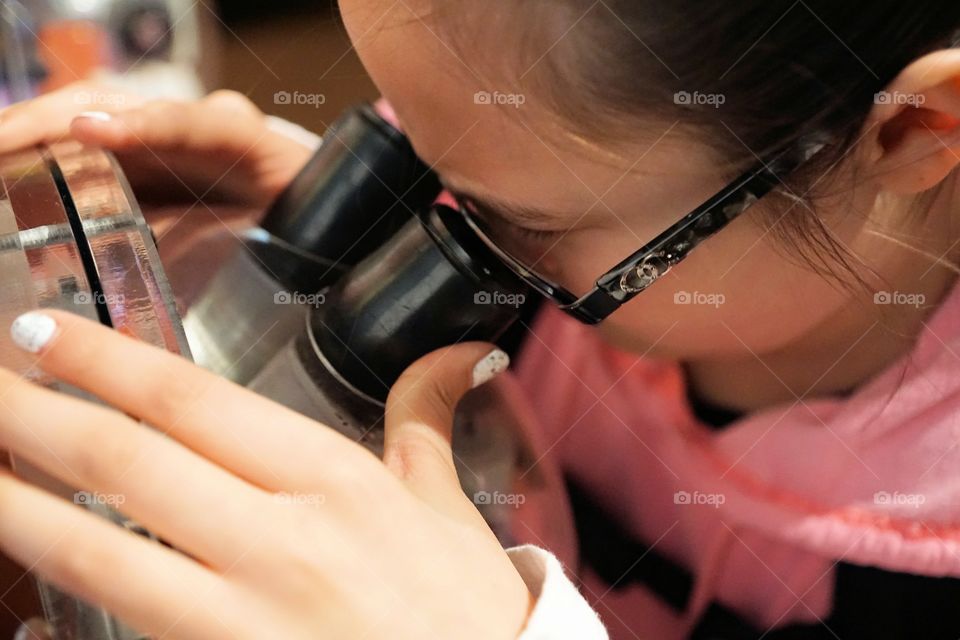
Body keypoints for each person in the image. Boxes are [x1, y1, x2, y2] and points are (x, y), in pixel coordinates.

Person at [3, 1, 960, 638]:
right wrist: (317, 240)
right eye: (405, 145)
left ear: (915, 129)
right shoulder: (610, 194)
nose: (448, 235)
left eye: (518, 220)